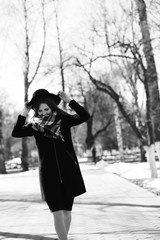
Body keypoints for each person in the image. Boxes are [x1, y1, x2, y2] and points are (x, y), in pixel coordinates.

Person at [11, 89, 90, 240]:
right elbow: (16, 132)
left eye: (46, 109)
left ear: (52, 107)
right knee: (57, 214)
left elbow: (85, 116)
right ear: (36, 111)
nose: (44, 113)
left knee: (67, 213)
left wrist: (69, 101)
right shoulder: (34, 126)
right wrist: (24, 112)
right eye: (40, 110)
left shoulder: (64, 120)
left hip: (68, 172)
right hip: (48, 175)